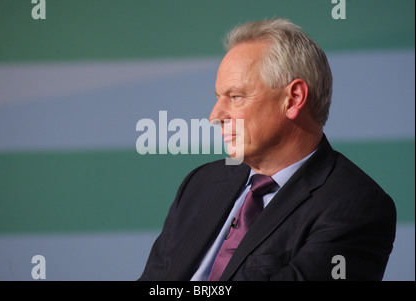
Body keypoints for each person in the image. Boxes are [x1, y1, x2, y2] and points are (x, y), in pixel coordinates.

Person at [139, 18, 396, 281]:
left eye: (236, 96)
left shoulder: (355, 206)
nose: (214, 116)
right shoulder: (200, 184)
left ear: (293, 99)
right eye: (218, 98)